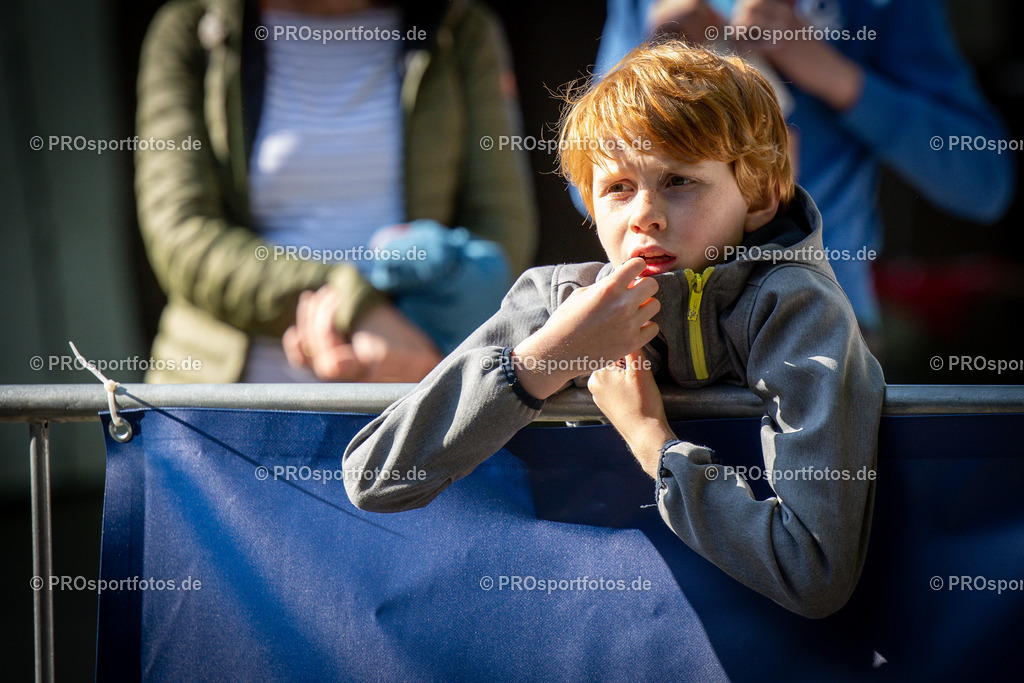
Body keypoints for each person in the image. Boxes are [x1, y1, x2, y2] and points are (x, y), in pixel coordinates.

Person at [343, 41, 885, 619]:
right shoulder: (557, 302)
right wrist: (549, 357)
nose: (644, 213)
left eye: (679, 180)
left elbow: (813, 571)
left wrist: (652, 440)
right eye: (617, 188)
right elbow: (375, 478)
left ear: (758, 194)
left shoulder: (799, 308)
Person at [135, 0, 537, 383]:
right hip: (221, 407)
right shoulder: (190, 30)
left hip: (414, 387)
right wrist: (356, 308)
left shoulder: (462, 28)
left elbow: (500, 224)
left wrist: (427, 333)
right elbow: (180, 233)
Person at [591, 0, 1015, 340]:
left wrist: (830, 73)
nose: (644, 213)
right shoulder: (645, 7)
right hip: (653, 333)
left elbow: (984, 183)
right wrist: (647, 58)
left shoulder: (881, 8)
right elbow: (586, 187)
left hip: (823, 329)